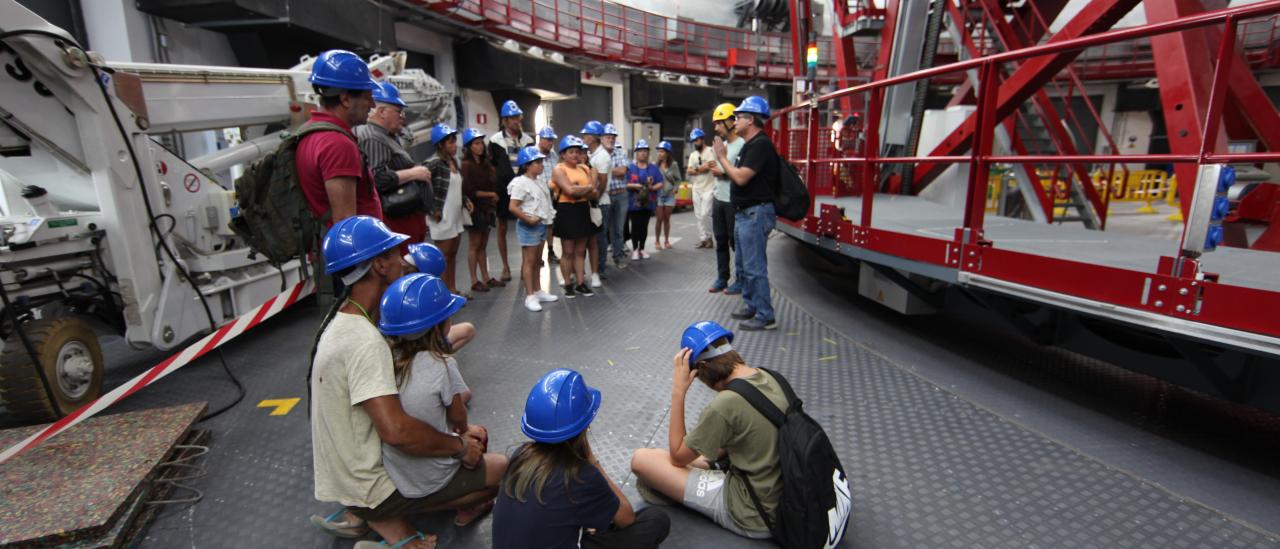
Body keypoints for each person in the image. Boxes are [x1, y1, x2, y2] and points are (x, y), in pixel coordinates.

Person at [309, 215, 484, 549]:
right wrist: (459, 445)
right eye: (393, 252)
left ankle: (379, 524)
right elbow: (397, 432)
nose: (402, 260)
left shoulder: (343, 320)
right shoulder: (366, 341)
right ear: (378, 265)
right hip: (370, 483)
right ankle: (381, 516)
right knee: (499, 472)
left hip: (343, 475)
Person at [372, 273, 509, 547]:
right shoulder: (442, 365)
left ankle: (429, 500)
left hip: (396, 472)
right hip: (429, 474)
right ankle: (465, 505)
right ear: (438, 326)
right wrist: (465, 434)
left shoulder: (381, 362)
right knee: (501, 465)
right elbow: (459, 421)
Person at [629, 321, 779, 541]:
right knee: (697, 457)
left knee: (642, 460)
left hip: (753, 511)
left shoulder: (725, 404)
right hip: (781, 493)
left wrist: (678, 391)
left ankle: (699, 475)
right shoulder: (769, 377)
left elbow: (678, 456)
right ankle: (706, 465)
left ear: (703, 369)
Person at [493, 369, 670, 549]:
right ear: (584, 428)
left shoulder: (520, 454)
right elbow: (626, 518)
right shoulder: (581, 476)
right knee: (655, 519)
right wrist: (591, 460)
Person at [714, 96, 778, 331]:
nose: (735, 120)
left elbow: (740, 177)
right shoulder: (750, 145)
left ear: (750, 120)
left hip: (755, 213)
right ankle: (752, 305)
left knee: (754, 266)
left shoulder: (760, 145)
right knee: (743, 264)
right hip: (745, 213)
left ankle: (765, 315)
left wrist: (721, 158)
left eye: (738, 117)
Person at [297, 49, 382, 224]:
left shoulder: (310, 132)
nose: (373, 104)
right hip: (357, 249)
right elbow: (345, 222)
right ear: (345, 99)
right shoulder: (337, 144)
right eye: (368, 97)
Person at [358, 81, 431, 253]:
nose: (403, 116)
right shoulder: (373, 137)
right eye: (398, 111)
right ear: (382, 111)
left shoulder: (388, 136)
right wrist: (413, 173)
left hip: (408, 218)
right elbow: (378, 179)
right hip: (396, 220)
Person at [487, 100, 534, 284]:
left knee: (525, 227)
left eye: (517, 117)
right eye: (511, 118)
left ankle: (525, 266)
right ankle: (505, 266)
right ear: (504, 121)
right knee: (503, 227)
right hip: (502, 190)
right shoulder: (495, 140)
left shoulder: (528, 140)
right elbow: (491, 168)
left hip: (524, 190)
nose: (515, 121)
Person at [508, 146, 560, 312]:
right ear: (526, 165)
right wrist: (528, 219)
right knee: (529, 262)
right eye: (537, 162)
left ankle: (537, 291)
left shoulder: (539, 182)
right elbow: (513, 207)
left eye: (541, 161)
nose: (541, 165)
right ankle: (530, 295)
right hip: (529, 227)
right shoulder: (520, 183)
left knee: (537, 260)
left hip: (541, 225)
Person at [425, 123, 474, 299]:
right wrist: (432, 210)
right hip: (442, 217)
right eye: (451, 142)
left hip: (456, 216)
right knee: (443, 257)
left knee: (453, 255)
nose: (455, 146)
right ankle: (443, 294)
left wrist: (466, 200)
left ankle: (452, 289)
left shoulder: (454, 162)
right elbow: (422, 188)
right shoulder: (434, 164)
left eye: (455, 142)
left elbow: (457, 187)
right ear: (440, 144)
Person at [404, 242, 477, 354]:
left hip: (420, 342)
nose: (402, 265)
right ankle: (436, 357)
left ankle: (437, 354)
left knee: (468, 330)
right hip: (414, 345)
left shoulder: (421, 292)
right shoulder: (408, 296)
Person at [550, 136, 598, 298]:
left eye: (577, 152)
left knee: (580, 250)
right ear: (563, 154)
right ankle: (568, 284)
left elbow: (594, 192)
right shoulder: (559, 169)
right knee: (568, 251)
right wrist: (586, 188)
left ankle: (580, 283)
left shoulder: (584, 168)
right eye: (571, 152)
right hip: (566, 210)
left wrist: (580, 189)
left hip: (582, 209)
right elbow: (569, 191)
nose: (575, 155)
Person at [708, 102, 746, 295]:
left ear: (730, 121)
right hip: (719, 199)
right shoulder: (722, 145)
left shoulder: (742, 146)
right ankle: (722, 277)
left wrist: (721, 171)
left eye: (719, 123)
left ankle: (740, 279)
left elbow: (740, 173)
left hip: (732, 201)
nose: (716, 128)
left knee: (735, 242)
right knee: (720, 240)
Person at [461, 128, 504, 293]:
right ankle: (473, 279)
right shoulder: (466, 166)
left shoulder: (486, 165)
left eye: (481, 143)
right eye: (476, 143)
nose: (480, 146)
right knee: (474, 244)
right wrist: (491, 194)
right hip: (475, 208)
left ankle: (485, 277)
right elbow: (470, 191)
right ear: (469, 146)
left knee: (483, 244)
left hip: (487, 208)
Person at [581, 121, 610, 286]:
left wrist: (595, 198)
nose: (583, 138)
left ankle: (600, 269)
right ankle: (595, 268)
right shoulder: (593, 155)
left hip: (601, 202)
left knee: (599, 238)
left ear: (592, 137)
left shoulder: (602, 157)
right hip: (593, 201)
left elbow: (603, 181)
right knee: (592, 237)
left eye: (585, 135)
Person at [625, 140, 664, 260]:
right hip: (634, 203)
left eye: (645, 151)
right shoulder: (630, 168)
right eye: (640, 151)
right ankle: (635, 249)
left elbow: (661, 183)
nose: (643, 153)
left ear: (648, 153)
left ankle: (642, 248)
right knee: (635, 226)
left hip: (649, 202)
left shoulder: (653, 168)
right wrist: (636, 186)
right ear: (636, 153)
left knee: (644, 226)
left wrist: (652, 187)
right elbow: (625, 184)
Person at [601, 124, 631, 275]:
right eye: (608, 137)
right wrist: (614, 170)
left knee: (618, 229)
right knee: (603, 229)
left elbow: (623, 171)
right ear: (601, 138)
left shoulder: (620, 153)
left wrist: (605, 169)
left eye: (613, 137)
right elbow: (616, 171)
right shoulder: (597, 154)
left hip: (621, 194)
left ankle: (618, 257)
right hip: (604, 195)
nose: (611, 140)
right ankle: (601, 261)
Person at [685, 128, 716, 249]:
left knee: (705, 214)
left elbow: (711, 165)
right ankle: (703, 239)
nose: (695, 143)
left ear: (702, 139)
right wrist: (700, 168)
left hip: (709, 187)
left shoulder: (711, 151)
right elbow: (689, 171)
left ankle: (709, 238)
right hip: (696, 187)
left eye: (697, 140)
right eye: (693, 141)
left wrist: (696, 169)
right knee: (698, 215)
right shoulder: (693, 155)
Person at [535, 126, 561, 266]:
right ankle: (537, 256)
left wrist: (556, 189)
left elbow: (556, 174)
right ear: (541, 140)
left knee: (550, 224)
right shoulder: (533, 153)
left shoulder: (553, 155)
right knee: (539, 225)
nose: (550, 143)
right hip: (537, 195)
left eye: (552, 140)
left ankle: (551, 252)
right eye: (548, 140)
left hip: (552, 195)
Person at [654, 141, 681, 250]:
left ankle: (666, 240)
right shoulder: (655, 165)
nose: (659, 153)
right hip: (658, 195)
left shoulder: (673, 165)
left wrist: (675, 189)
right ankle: (657, 241)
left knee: (666, 219)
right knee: (659, 219)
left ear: (667, 153)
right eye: (658, 151)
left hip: (669, 195)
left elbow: (678, 179)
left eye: (662, 151)